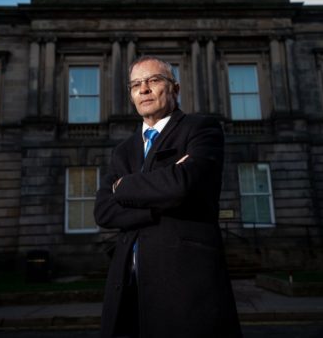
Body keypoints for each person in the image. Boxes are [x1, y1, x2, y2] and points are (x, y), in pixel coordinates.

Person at [94, 56, 242, 338]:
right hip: (127, 288)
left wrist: (124, 187)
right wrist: (158, 202)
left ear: (175, 88)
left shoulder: (200, 129)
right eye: (136, 84)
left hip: (184, 285)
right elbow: (103, 211)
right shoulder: (124, 150)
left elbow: (182, 185)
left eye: (153, 80)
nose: (144, 89)